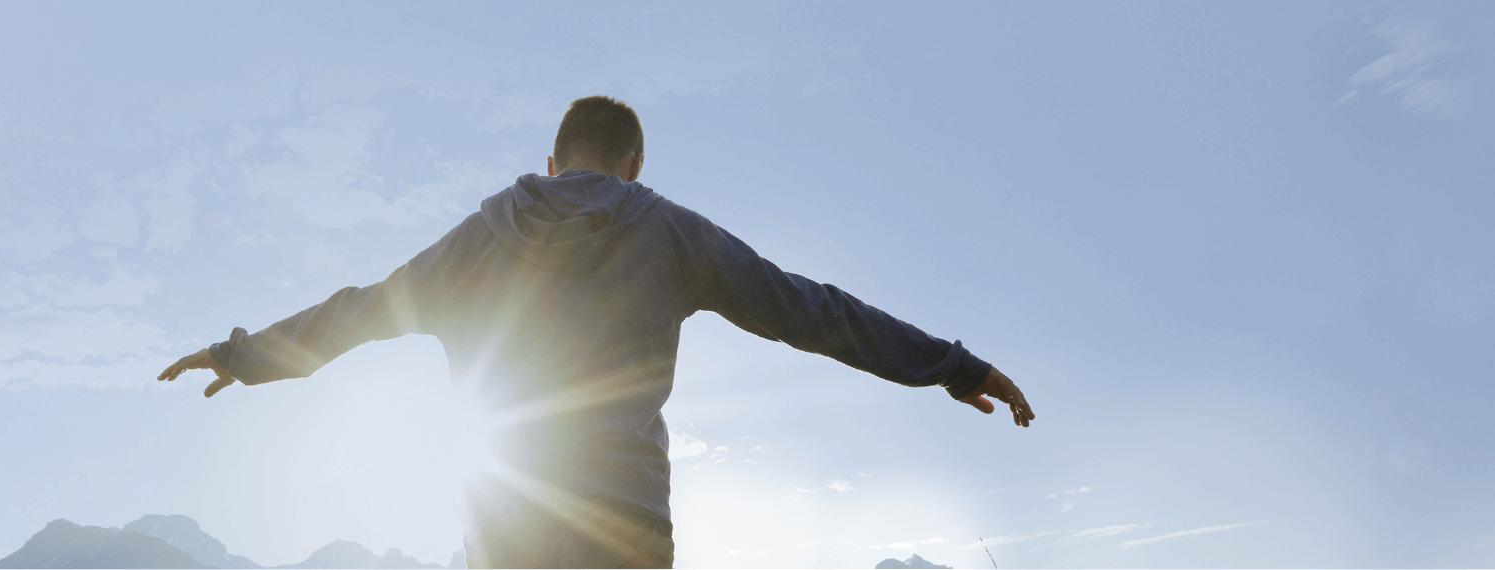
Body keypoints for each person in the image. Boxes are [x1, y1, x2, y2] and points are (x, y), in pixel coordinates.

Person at [158, 95, 1035, 569]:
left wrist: (246, 355)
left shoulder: (482, 234)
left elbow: (364, 310)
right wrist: (953, 367)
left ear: (550, 161)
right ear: (634, 165)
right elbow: (813, 310)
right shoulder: (670, 231)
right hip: (625, 525)